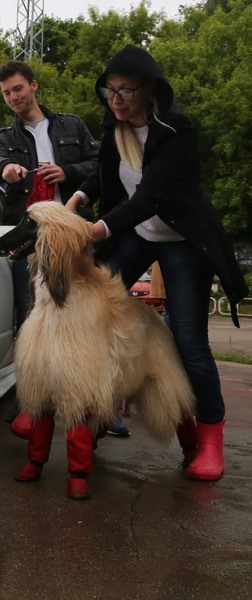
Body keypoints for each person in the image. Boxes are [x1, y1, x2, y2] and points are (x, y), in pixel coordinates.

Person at [65, 45, 248, 482]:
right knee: (91, 313)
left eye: (126, 89)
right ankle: (98, 411)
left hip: (183, 241)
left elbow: (150, 197)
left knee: (189, 342)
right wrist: (79, 197)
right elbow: (106, 173)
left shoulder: (178, 130)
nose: (117, 99)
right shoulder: (115, 126)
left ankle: (208, 438)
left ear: (150, 89)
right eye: (110, 90)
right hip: (140, 235)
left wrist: (95, 230)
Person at [0, 60, 103, 434]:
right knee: (30, 319)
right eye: (6, 93)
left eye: (18, 89)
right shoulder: (5, 136)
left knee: (85, 316)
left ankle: (99, 405)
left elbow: (101, 164)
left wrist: (68, 173)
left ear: (34, 86)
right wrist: (5, 169)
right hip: (30, 238)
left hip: (73, 234)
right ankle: (30, 403)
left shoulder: (72, 126)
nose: (13, 97)